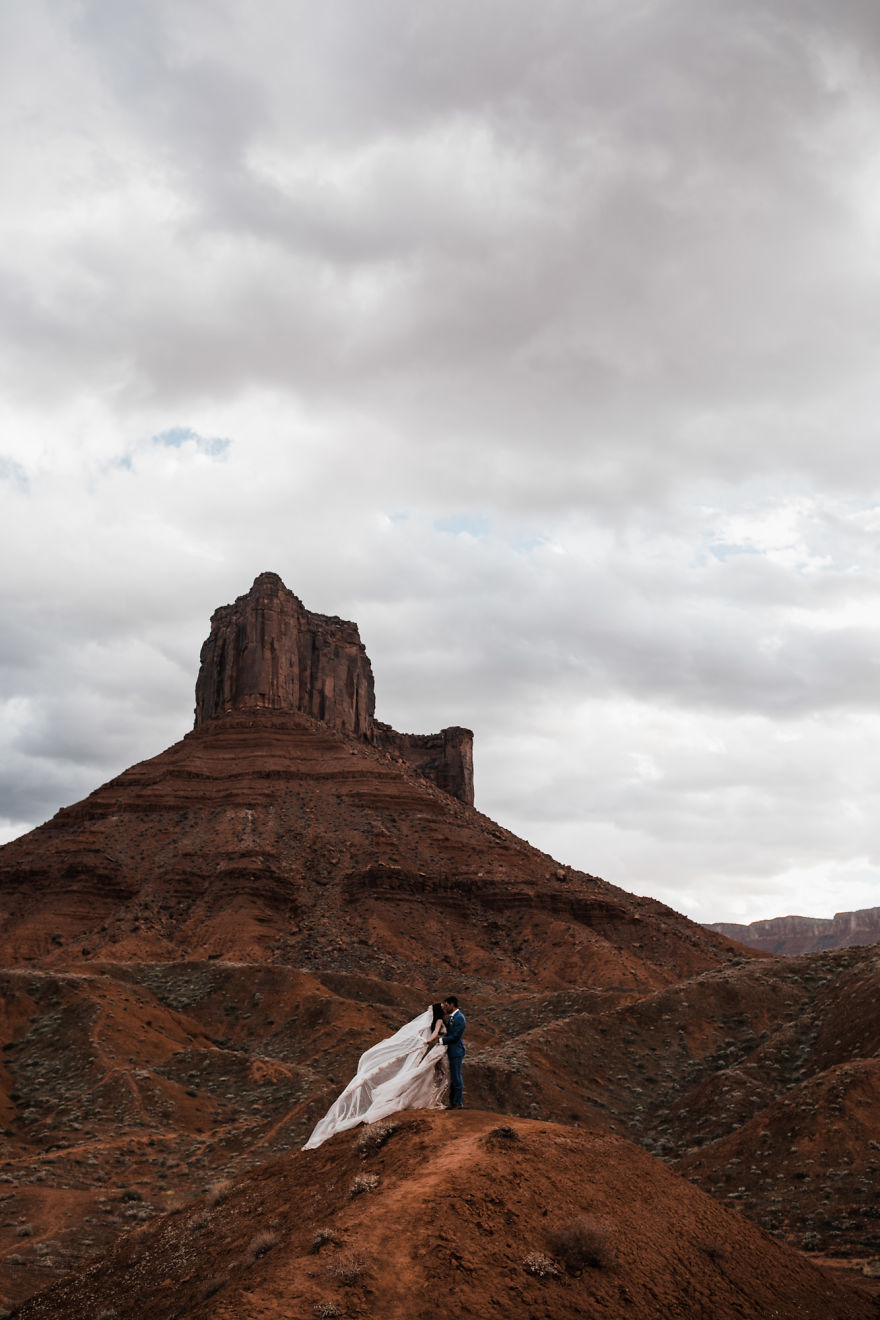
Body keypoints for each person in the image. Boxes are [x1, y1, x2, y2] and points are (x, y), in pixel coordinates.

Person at [302, 1004, 449, 1150]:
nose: (444, 1008)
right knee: (431, 1075)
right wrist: (427, 1041)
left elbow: (436, 1034)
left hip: (442, 1048)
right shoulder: (439, 1021)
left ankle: (440, 1098)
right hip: (441, 1048)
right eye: (442, 1007)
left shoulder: (439, 1021)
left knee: (431, 1075)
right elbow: (435, 1034)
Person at [440, 995, 466, 1109]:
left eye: (446, 1005)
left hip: (456, 1051)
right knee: (453, 1077)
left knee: (456, 1077)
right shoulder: (452, 1017)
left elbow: (456, 1036)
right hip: (452, 1051)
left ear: (452, 1004)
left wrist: (442, 1041)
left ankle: (458, 1103)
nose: (446, 1008)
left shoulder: (459, 1018)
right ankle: (453, 1102)